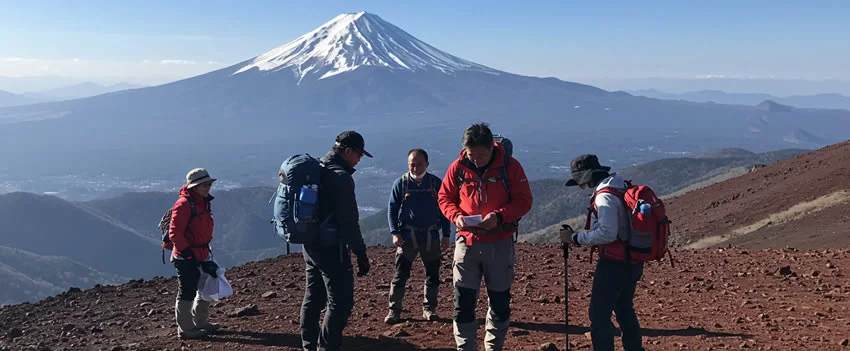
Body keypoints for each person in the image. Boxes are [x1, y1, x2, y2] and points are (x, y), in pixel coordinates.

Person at [437, 123, 533, 351]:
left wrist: (499, 216)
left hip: (499, 242)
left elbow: (524, 200)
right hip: (467, 243)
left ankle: (493, 347)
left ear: (492, 148)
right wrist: (456, 216)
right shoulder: (459, 167)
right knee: (463, 302)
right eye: (471, 155)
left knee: (499, 302)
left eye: (481, 155)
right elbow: (444, 197)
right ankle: (465, 347)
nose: (476, 160)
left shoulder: (510, 167)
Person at [561, 154, 646, 351]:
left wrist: (575, 238)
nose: (582, 186)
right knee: (624, 308)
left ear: (589, 176)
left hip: (614, 263)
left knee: (599, 315)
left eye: (581, 181)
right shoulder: (620, 185)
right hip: (632, 259)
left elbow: (608, 233)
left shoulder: (605, 196)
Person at [300, 130, 372, 351]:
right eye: (358, 154)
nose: (359, 159)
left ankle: (309, 345)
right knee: (340, 302)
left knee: (313, 297)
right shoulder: (341, 178)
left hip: (310, 244)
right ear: (348, 151)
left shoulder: (317, 168)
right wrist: (360, 253)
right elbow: (349, 221)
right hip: (332, 248)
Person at [384, 148, 452, 324]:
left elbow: (444, 210)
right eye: (411, 165)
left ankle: (430, 309)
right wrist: (394, 232)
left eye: (419, 164)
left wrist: (446, 235)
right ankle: (394, 311)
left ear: (427, 164)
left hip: (431, 236)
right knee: (400, 274)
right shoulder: (401, 183)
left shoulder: (435, 184)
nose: (415, 168)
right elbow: (392, 209)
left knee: (433, 274)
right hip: (407, 236)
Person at [168, 168, 221, 339]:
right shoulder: (183, 204)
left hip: (202, 251)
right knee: (188, 290)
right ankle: (186, 329)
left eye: (209, 184)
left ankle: (200, 322)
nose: (208, 187)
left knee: (207, 286)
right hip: (186, 255)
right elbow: (174, 233)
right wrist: (187, 254)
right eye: (204, 185)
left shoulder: (203, 202)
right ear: (194, 187)